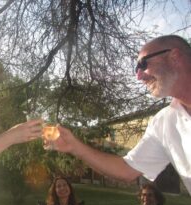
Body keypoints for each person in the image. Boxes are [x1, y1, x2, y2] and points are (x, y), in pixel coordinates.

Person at [50, 35, 191, 194]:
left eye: (143, 64)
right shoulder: (164, 123)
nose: (139, 76)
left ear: (175, 57)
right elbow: (127, 170)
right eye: (136, 69)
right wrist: (75, 147)